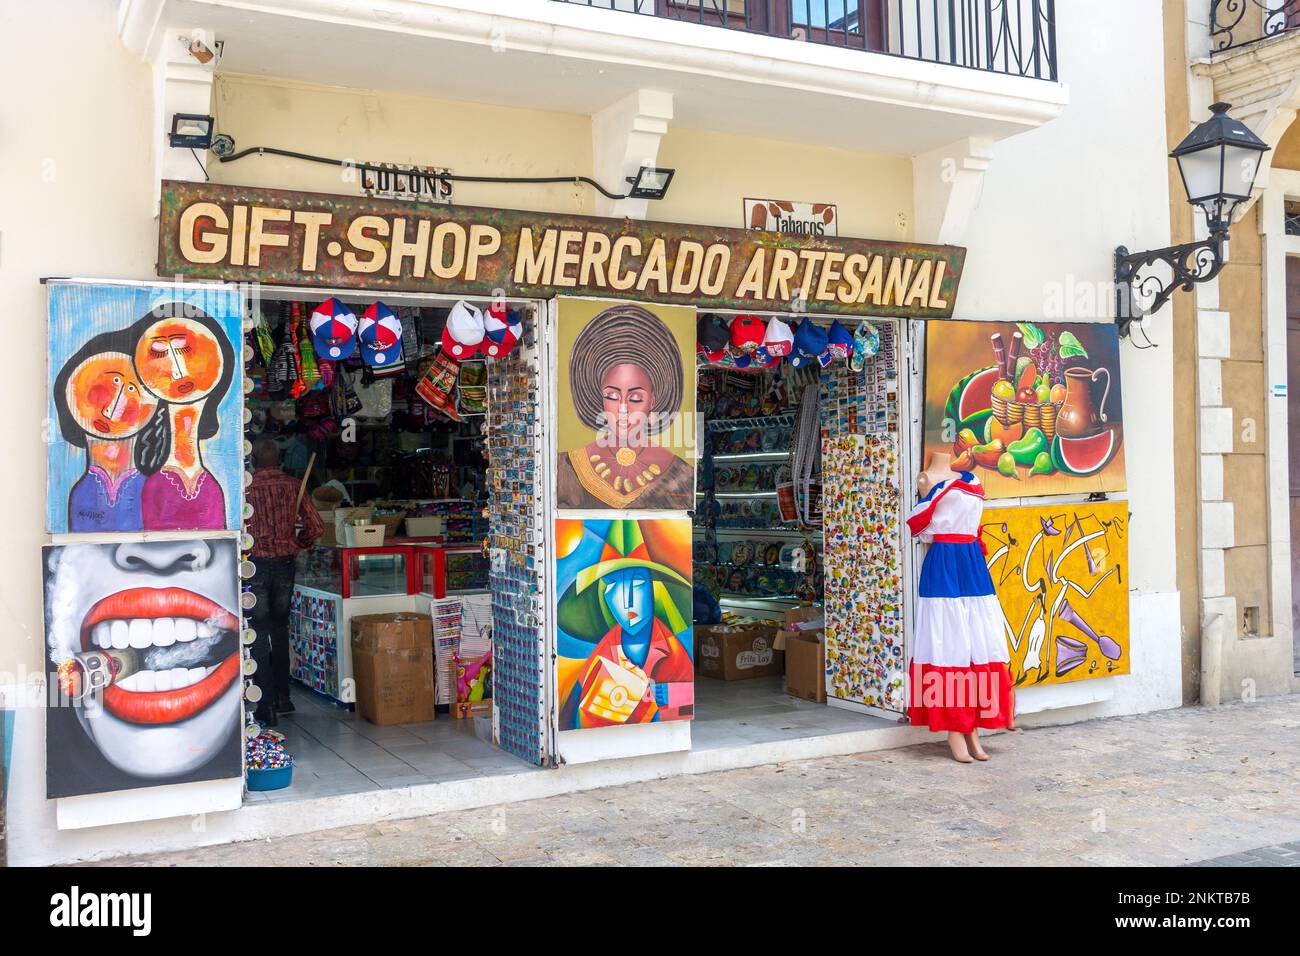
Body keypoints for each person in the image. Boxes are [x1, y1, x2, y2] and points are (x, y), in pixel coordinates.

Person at [905, 452, 1015, 762]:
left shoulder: (972, 479)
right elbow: (924, 531)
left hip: (971, 561)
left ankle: (972, 729)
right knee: (950, 644)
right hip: (944, 562)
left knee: (976, 641)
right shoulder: (927, 479)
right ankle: (956, 730)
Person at [555, 303, 694, 510]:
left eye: (635, 398)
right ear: (599, 397)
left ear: (653, 401)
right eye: (612, 395)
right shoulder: (567, 465)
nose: (622, 408)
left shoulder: (681, 473)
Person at [245, 437, 323, 725]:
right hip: (285, 565)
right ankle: (283, 697)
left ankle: (265, 705)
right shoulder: (293, 485)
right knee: (279, 631)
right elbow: (316, 526)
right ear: (279, 459)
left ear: (252, 460)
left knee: (258, 630)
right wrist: (297, 541)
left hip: (255, 567)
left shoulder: (246, 488)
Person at [52, 329, 159, 532]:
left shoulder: (150, 491)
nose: (111, 409)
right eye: (106, 387)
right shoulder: (81, 493)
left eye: (130, 390)